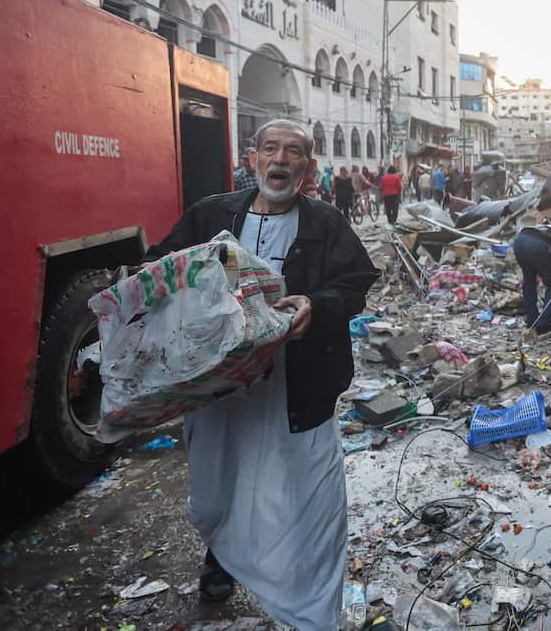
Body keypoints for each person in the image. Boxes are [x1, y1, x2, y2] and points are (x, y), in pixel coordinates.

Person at [144, 119, 379, 629]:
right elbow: (159, 267)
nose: (280, 160)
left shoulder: (325, 223)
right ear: (252, 160)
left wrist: (316, 304)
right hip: (223, 391)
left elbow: (356, 282)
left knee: (306, 497)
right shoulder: (211, 214)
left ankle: (312, 611)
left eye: (293, 152)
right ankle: (222, 556)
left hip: (298, 389)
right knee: (214, 490)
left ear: (308, 167)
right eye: (270, 149)